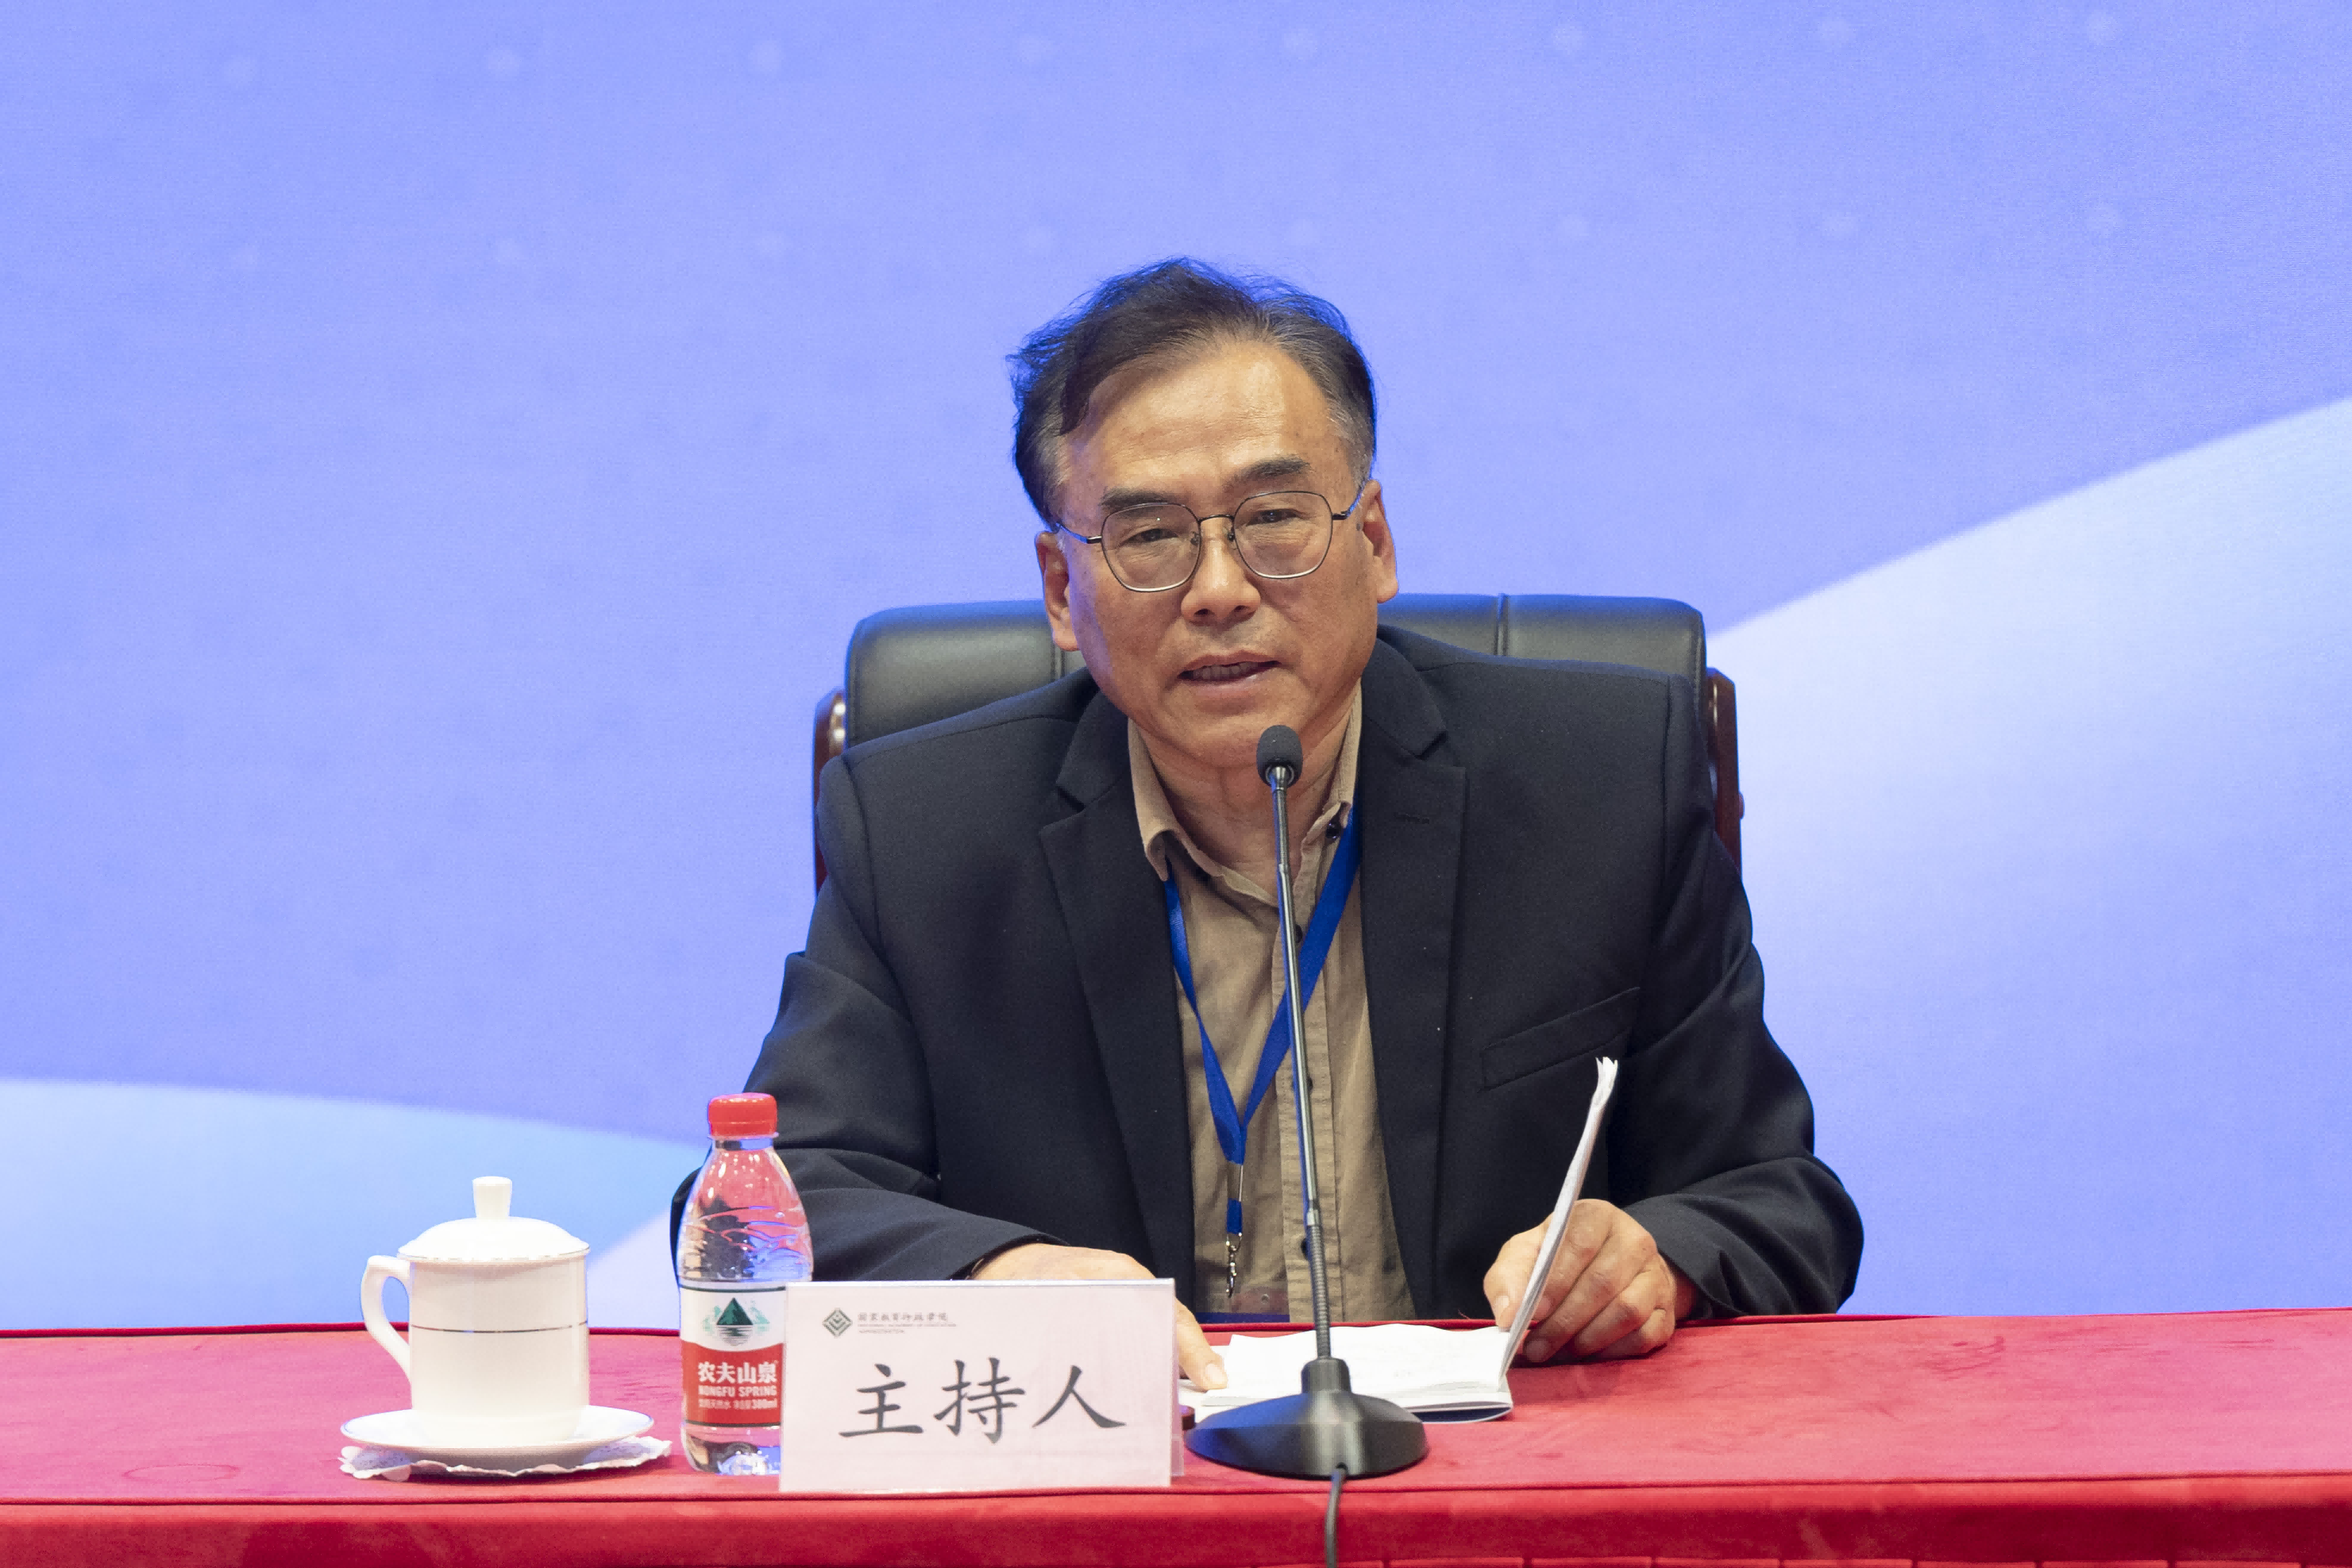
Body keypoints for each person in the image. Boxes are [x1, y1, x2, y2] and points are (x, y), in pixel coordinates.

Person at [735, 260, 1861, 1391]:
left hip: (1493, 1462)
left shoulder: (1598, 788)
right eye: (1149, 535)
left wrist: (1654, 1257)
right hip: (1125, 1468)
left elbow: (1778, 1198)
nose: (1220, 588)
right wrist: (998, 1273)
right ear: (1062, 592)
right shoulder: (922, 832)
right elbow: (767, 1202)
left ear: (1373, 540)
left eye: (1273, 518)